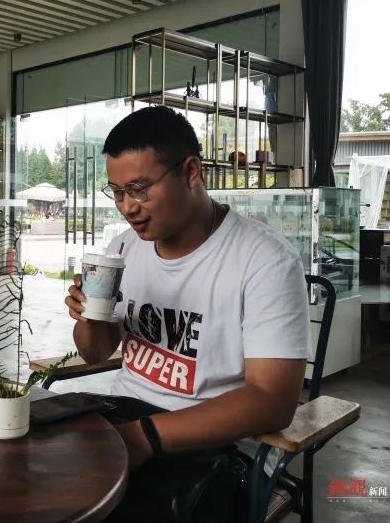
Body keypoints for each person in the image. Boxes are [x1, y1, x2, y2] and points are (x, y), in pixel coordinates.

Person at [64, 106, 309, 521]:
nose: (127, 207)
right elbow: (94, 353)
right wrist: (90, 315)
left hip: (213, 446)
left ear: (191, 172)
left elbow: (273, 402)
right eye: (117, 192)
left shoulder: (265, 261)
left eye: (139, 189)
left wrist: (144, 438)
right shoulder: (123, 248)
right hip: (126, 415)